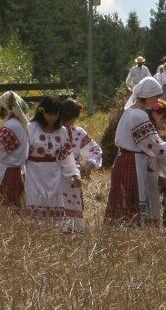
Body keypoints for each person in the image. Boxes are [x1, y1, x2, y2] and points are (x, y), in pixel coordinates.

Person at [105, 77, 166, 226]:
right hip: (132, 164)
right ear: (148, 95)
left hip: (123, 161)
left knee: (122, 203)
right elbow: (156, 148)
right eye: (156, 96)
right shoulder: (139, 115)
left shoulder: (129, 112)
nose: (157, 100)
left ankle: (120, 235)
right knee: (131, 202)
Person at [26, 96, 81, 228]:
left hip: (53, 175)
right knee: (34, 202)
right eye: (49, 114)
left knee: (53, 204)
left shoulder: (62, 132)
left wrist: (74, 174)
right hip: (33, 173)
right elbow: (23, 153)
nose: (52, 118)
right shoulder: (31, 128)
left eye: (55, 114)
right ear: (41, 112)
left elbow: (66, 156)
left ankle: (54, 234)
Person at [60, 99, 103, 232]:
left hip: (73, 178)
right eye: (68, 119)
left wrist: (89, 165)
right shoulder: (52, 131)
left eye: (72, 119)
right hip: (55, 174)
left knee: (72, 209)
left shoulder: (78, 132)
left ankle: (73, 231)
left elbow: (95, 149)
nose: (70, 123)